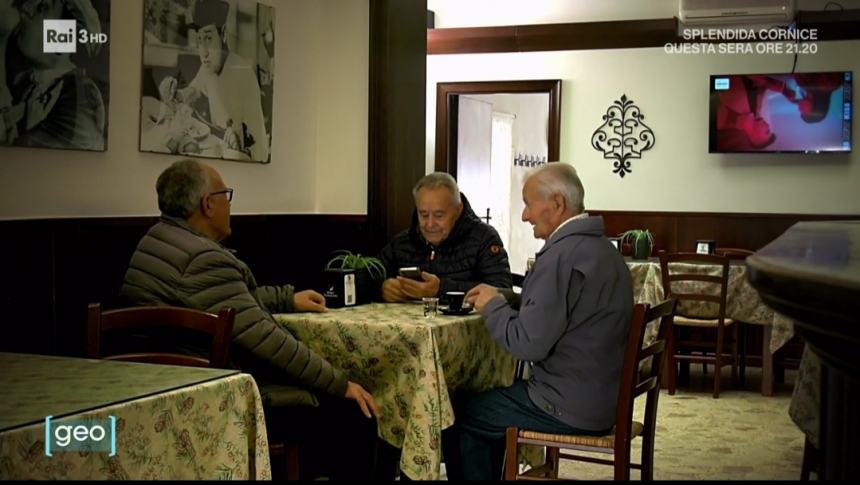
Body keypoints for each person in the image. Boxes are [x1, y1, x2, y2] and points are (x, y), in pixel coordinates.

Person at [120, 159, 380, 479]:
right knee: (356, 410)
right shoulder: (203, 258)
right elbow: (269, 342)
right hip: (211, 396)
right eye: (226, 195)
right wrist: (341, 384)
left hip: (162, 383)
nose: (230, 204)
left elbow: (230, 301)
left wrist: (287, 298)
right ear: (208, 204)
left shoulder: (158, 239)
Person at [443, 163, 633, 480]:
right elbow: (564, 310)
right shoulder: (602, 250)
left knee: (459, 413)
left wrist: (492, 307)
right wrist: (508, 299)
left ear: (557, 203)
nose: (524, 216)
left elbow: (526, 344)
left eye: (529, 204)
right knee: (488, 403)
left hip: (568, 404)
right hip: (601, 395)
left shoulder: (560, 256)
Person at [157, 0, 269, 162]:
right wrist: (174, 92)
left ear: (223, 34)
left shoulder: (243, 73)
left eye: (209, 39)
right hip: (215, 151)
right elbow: (193, 91)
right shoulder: (208, 68)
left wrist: (241, 145)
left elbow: (260, 148)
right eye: (199, 40)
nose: (203, 52)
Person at [378, 172, 512, 303]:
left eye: (439, 215)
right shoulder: (402, 242)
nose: (430, 224)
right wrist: (381, 288)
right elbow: (368, 276)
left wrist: (440, 289)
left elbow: (503, 292)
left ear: (458, 210)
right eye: (423, 215)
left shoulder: (484, 238)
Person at [1, 0, 106, 150]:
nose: (24, 8)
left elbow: (26, 160)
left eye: (42, 7)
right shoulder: (25, 85)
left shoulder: (84, 98)